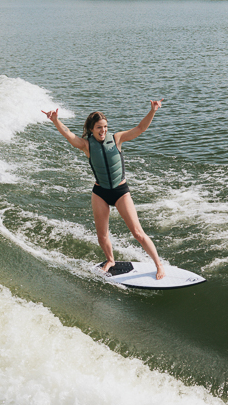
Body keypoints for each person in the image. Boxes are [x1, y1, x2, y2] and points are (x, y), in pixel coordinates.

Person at [42, 100, 166, 280]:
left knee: (138, 233)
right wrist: (55, 120)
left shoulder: (117, 139)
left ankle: (158, 264)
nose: (103, 130)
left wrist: (152, 111)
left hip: (120, 191)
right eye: (99, 127)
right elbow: (69, 135)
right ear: (91, 129)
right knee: (102, 235)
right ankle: (110, 260)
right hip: (100, 193)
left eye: (105, 127)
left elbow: (140, 128)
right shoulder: (86, 145)